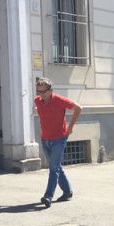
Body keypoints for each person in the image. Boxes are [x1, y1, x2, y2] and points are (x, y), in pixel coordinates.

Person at [34, 77, 83, 208]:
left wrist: (70, 127)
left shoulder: (60, 100)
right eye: (38, 91)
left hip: (59, 138)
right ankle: (67, 192)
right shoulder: (37, 101)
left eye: (43, 92)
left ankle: (48, 196)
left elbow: (78, 108)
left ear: (51, 91)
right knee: (56, 167)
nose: (41, 95)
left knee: (53, 168)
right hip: (45, 139)